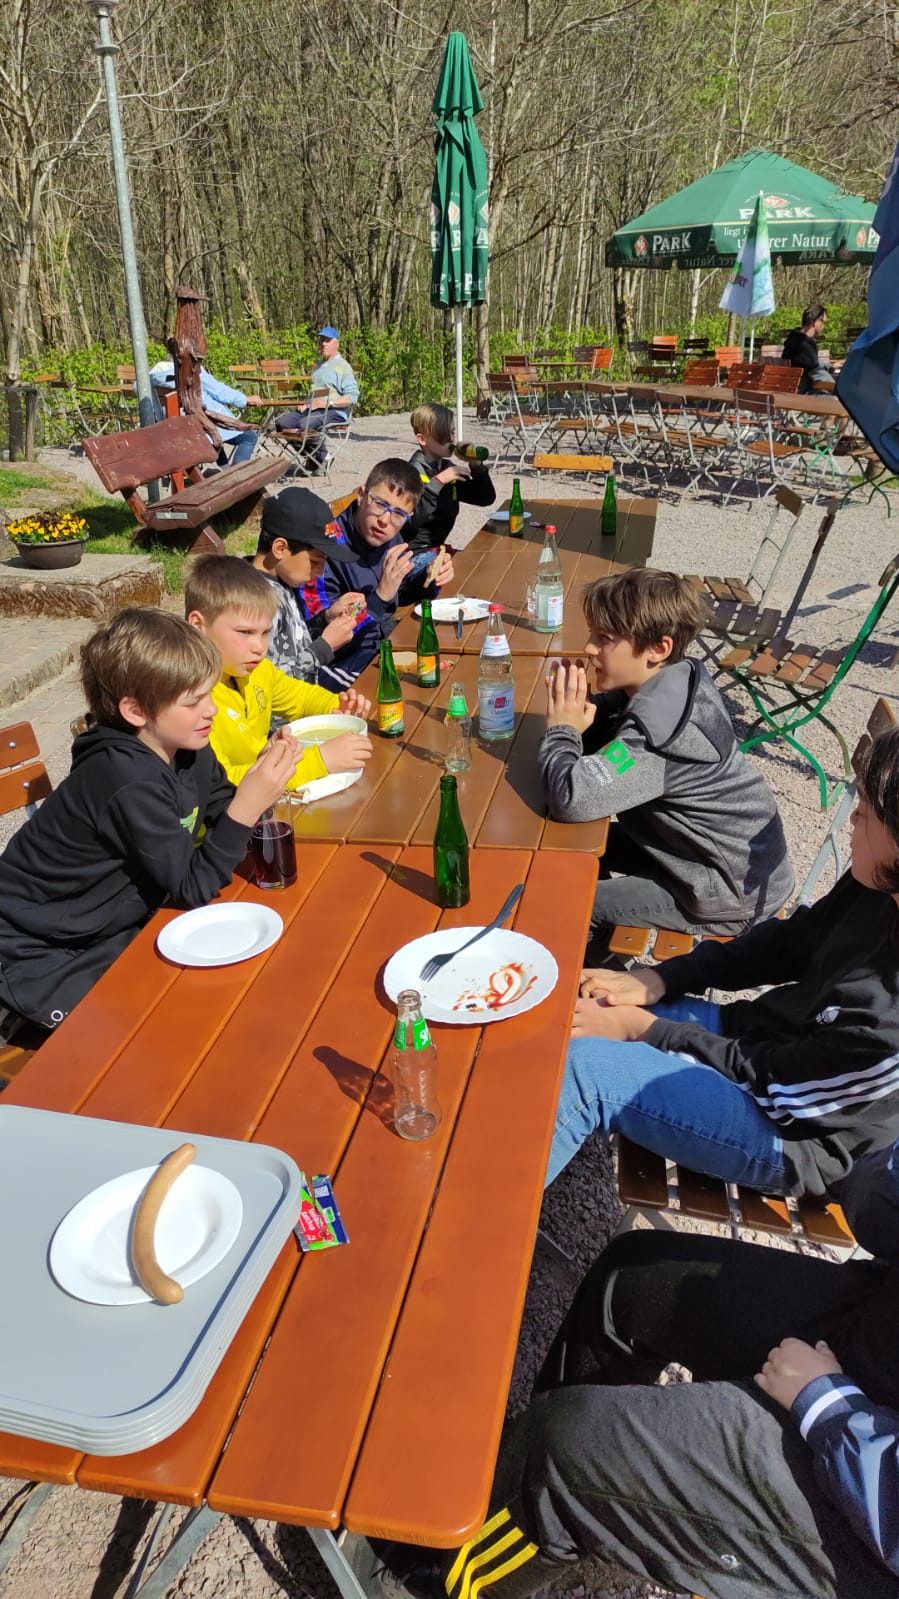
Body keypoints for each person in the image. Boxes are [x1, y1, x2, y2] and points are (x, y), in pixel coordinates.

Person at [347, 1141, 899, 1599]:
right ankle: (537, 1500)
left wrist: (826, 1404)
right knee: (628, 1280)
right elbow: (869, 1198)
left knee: (561, 1455)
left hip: (870, 1515)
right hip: (877, 1331)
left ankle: (444, 1574)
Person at [545, 721, 899, 1199]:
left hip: (791, 1134)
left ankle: (476, 1227)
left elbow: (780, 1089)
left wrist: (646, 1030)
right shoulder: (877, 883)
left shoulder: (889, 1021)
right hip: (760, 1043)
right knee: (584, 1005)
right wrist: (661, 978)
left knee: (585, 1072)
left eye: (866, 812)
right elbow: (790, 942)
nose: (852, 818)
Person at [0, 609, 297, 1038]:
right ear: (136, 710)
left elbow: (222, 807)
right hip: (37, 946)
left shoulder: (187, 747)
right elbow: (192, 887)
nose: (212, 710)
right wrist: (247, 807)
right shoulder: (125, 779)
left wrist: (261, 786)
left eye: (210, 694)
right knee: (150, 1036)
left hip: (109, 922)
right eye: (193, 701)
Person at [538, 568, 793, 957]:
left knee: (566, 902)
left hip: (727, 891)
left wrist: (562, 730)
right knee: (568, 849)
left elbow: (571, 800)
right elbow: (614, 720)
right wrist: (579, 715)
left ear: (657, 649)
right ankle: (600, 947)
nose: (589, 648)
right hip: (695, 855)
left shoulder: (662, 737)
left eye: (604, 638)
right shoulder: (674, 678)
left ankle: (594, 981)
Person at [184, 555, 372, 789]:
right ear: (198, 625)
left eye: (265, 633)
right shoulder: (191, 701)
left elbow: (302, 698)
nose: (259, 647)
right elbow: (223, 784)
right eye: (245, 632)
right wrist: (320, 760)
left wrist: (338, 707)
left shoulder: (257, 671)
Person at [297, 459, 454, 691]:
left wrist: (429, 578)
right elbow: (320, 634)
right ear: (361, 495)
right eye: (380, 504)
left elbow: (401, 590)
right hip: (336, 666)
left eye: (399, 514)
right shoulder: (324, 552)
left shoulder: (388, 536)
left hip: (382, 644)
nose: (385, 520)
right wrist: (380, 598)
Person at [251, 486, 366, 685]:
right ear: (280, 548)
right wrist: (324, 648)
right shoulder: (253, 602)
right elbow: (265, 684)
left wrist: (325, 618)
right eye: (315, 561)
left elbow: (290, 642)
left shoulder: (283, 579)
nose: (319, 572)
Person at [406, 402, 495, 554]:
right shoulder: (412, 474)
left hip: (436, 549)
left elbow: (485, 498)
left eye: (452, 433)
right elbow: (410, 524)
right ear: (422, 439)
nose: (451, 439)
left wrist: (475, 464)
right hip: (413, 553)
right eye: (443, 434)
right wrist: (437, 483)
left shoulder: (446, 468)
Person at [274, 325, 360, 468]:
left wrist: (328, 403)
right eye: (321, 341)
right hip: (313, 409)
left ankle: (324, 457)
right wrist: (306, 403)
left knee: (305, 424)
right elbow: (316, 393)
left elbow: (352, 397)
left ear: (337, 344)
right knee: (283, 424)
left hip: (335, 411)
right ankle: (312, 458)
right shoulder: (318, 366)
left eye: (327, 341)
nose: (323, 344)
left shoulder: (343, 367)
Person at [148, 360, 263, 463]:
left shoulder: (152, 378)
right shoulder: (192, 372)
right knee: (249, 437)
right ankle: (238, 473)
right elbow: (220, 392)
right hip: (205, 424)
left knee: (215, 439)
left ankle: (225, 470)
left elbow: (146, 397)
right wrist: (245, 399)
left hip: (178, 429)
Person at [782, 303, 836, 393]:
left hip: (796, 388)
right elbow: (817, 374)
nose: (824, 326)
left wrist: (830, 366)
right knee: (836, 398)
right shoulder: (803, 345)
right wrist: (837, 389)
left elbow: (811, 365)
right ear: (816, 322)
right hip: (804, 392)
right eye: (824, 322)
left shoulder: (794, 340)